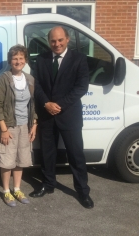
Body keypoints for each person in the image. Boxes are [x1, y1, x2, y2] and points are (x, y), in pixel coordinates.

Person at [30, 26, 94, 209]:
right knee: (47, 154)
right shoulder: (41, 59)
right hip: (47, 114)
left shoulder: (79, 59)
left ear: (67, 40)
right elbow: (36, 85)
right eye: (53, 41)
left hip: (69, 115)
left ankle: (83, 191)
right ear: (49, 41)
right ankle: (48, 184)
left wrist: (60, 105)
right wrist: (46, 103)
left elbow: (81, 87)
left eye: (60, 40)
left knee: (76, 155)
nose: (56, 44)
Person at [0, 44, 37, 207]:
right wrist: (3, 129)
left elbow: (32, 104)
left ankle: (17, 189)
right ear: (10, 61)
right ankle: (6, 191)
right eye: (14, 58)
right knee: (7, 161)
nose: (18, 61)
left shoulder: (30, 79)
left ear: (25, 60)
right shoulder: (3, 79)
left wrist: (34, 124)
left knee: (21, 160)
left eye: (21, 58)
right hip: (8, 127)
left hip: (25, 126)